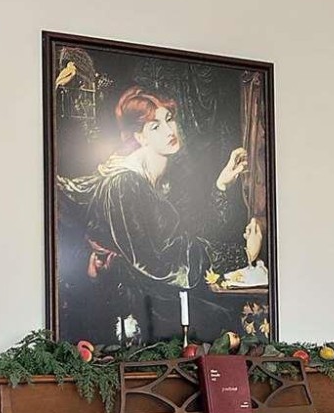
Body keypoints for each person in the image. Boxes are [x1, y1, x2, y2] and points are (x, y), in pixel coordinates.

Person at [57, 86, 262, 344]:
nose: (169, 131)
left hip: (156, 298)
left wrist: (222, 184)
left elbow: (188, 231)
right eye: (155, 126)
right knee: (224, 322)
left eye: (169, 119)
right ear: (139, 137)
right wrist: (242, 255)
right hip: (133, 312)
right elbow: (157, 262)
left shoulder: (159, 180)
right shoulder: (125, 185)